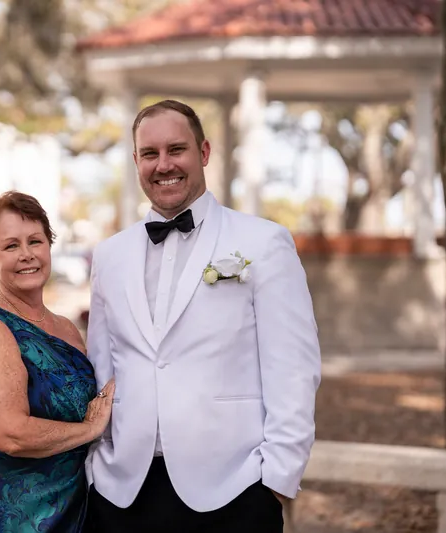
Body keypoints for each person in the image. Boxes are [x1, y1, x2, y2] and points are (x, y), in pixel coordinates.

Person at [83, 100, 321, 533]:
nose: (164, 164)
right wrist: (95, 468)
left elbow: (294, 369)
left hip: (234, 489)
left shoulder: (263, 242)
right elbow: (102, 365)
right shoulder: (109, 255)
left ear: (204, 153)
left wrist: (277, 480)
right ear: (136, 161)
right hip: (121, 493)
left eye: (177, 149)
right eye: (150, 154)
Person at [0, 191, 115, 533]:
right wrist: (90, 430)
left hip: (70, 507)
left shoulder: (66, 329)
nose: (27, 255)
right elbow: (10, 434)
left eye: (35, 241)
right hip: (7, 516)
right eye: (11, 246)